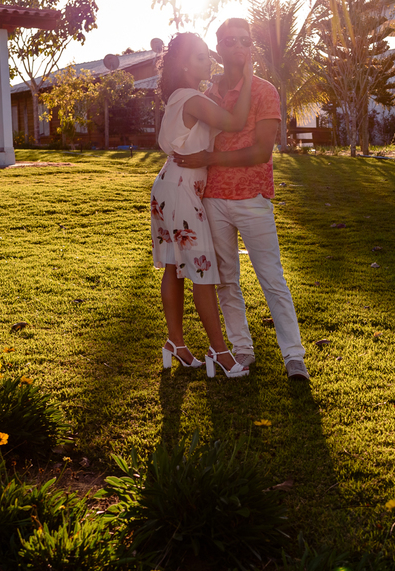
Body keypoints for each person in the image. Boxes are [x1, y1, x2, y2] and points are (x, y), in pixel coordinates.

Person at [173, 17, 309, 381]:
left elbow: (262, 151)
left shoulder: (264, 91)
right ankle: (242, 348)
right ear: (219, 48)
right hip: (213, 198)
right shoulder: (207, 95)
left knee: (271, 277)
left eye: (245, 40)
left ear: (251, 48)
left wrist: (210, 159)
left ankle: (294, 355)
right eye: (230, 40)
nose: (238, 46)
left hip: (252, 197)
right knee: (226, 280)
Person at [150, 32, 253, 379]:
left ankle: (176, 344)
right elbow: (236, 122)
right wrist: (250, 75)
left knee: (173, 267)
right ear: (183, 64)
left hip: (170, 183)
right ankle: (219, 351)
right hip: (181, 188)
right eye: (199, 56)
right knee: (203, 271)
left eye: (207, 55)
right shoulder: (192, 99)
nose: (207, 60)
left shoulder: (182, 97)